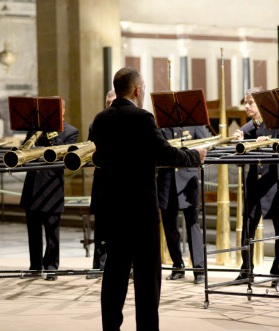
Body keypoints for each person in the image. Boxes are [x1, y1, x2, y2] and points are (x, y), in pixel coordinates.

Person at [90, 67, 206, 330]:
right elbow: (165, 153)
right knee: (147, 280)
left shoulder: (100, 120)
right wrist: (195, 156)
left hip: (113, 210)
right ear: (138, 89)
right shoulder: (143, 118)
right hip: (141, 212)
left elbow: (98, 157)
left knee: (114, 276)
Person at [20, 98, 79, 281]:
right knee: (33, 231)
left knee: (52, 232)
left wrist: (52, 141)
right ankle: (35, 266)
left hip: (52, 187)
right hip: (32, 186)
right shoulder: (35, 129)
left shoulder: (70, 131)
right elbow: (25, 151)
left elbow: (65, 161)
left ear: (62, 111)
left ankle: (52, 266)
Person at [234, 87, 279, 287]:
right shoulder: (247, 128)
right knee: (247, 229)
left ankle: (277, 273)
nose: (246, 106)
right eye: (245, 102)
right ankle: (246, 270)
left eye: (251, 102)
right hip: (254, 184)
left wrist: (269, 142)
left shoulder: (276, 125)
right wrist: (240, 143)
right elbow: (238, 161)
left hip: (274, 184)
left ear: (262, 104)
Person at [157, 126, 207, 284]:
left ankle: (199, 269)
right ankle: (178, 266)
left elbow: (204, 147)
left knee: (193, 224)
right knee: (169, 226)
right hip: (167, 182)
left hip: (188, 183)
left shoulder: (194, 125)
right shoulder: (161, 126)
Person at [86, 89, 116, 279]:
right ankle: (98, 265)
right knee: (101, 227)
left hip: (121, 182)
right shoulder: (95, 124)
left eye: (113, 102)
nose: (110, 106)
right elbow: (91, 150)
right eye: (108, 103)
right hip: (102, 181)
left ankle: (126, 266)